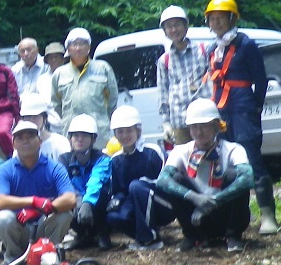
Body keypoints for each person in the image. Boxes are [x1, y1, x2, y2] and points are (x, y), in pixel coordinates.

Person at [203, 0, 278, 235]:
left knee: (252, 158)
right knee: (226, 162)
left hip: (244, 107)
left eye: (220, 18)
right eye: (212, 19)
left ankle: (268, 215)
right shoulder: (213, 49)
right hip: (221, 109)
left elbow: (260, 79)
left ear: (231, 18)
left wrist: (256, 107)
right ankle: (236, 215)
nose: (216, 23)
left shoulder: (246, 44)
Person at [155, 99, 254, 252]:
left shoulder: (233, 149)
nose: (199, 132)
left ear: (216, 126)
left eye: (205, 126)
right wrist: (194, 197)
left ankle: (233, 236)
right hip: (196, 217)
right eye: (194, 127)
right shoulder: (181, 151)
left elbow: (247, 178)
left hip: (224, 212)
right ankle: (193, 236)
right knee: (175, 180)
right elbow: (162, 180)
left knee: (234, 175)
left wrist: (215, 200)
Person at [0, 121, 77, 260]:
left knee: (64, 214)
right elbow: (0, 201)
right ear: (13, 143)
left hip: (45, 225)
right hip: (19, 226)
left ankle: (50, 254)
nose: (26, 141)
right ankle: (14, 258)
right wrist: (33, 201)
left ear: (40, 141)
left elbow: (70, 198)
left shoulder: (55, 167)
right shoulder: (4, 168)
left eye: (31, 136)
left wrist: (39, 209)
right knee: (3, 218)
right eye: (20, 138)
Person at [104, 106, 171, 251]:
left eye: (129, 130)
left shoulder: (152, 152)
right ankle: (143, 235)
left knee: (137, 186)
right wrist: (117, 199)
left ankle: (150, 240)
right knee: (113, 216)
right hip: (136, 205)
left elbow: (165, 182)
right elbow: (119, 190)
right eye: (120, 131)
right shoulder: (116, 160)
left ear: (138, 131)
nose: (124, 135)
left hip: (163, 204)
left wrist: (141, 186)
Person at [50, 28, 118, 149]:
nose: (78, 48)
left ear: (89, 47)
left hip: (99, 133)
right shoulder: (59, 74)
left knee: (101, 164)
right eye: (74, 44)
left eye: (82, 44)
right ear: (68, 49)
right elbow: (56, 104)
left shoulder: (103, 68)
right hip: (72, 133)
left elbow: (112, 100)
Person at [156, 5, 211, 147]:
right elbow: (163, 94)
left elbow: (217, 83)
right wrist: (166, 124)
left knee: (211, 160)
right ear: (165, 31)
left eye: (177, 24)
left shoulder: (204, 51)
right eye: (168, 27)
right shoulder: (164, 60)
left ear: (186, 26)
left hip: (206, 119)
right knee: (186, 163)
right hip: (180, 122)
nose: (173, 30)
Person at [57, 115, 113, 251]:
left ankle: (101, 233)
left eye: (85, 136)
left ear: (93, 139)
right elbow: (63, 183)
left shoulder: (103, 159)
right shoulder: (64, 159)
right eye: (75, 135)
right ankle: (82, 236)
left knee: (103, 193)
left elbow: (96, 180)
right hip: (76, 200)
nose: (79, 139)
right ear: (70, 138)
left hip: (96, 202)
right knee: (62, 200)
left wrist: (87, 202)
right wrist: (77, 199)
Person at [19, 94, 70, 160]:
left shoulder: (60, 143)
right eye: (28, 117)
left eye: (35, 116)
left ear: (44, 117)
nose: (31, 120)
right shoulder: (20, 145)